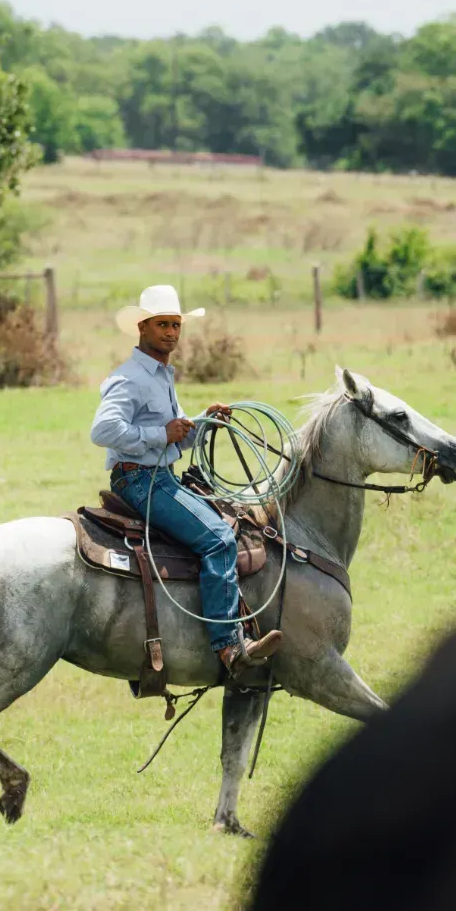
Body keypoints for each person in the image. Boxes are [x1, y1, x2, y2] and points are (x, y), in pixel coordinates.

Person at [90, 284, 283, 676]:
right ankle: (229, 645)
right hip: (142, 481)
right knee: (219, 539)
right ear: (142, 327)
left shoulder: (162, 375)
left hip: (160, 475)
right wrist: (162, 434)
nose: (171, 333)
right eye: (162, 325)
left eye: (176, 326)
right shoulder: (129, 378)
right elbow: (103, 430)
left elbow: (173, 434)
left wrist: (201, 422)